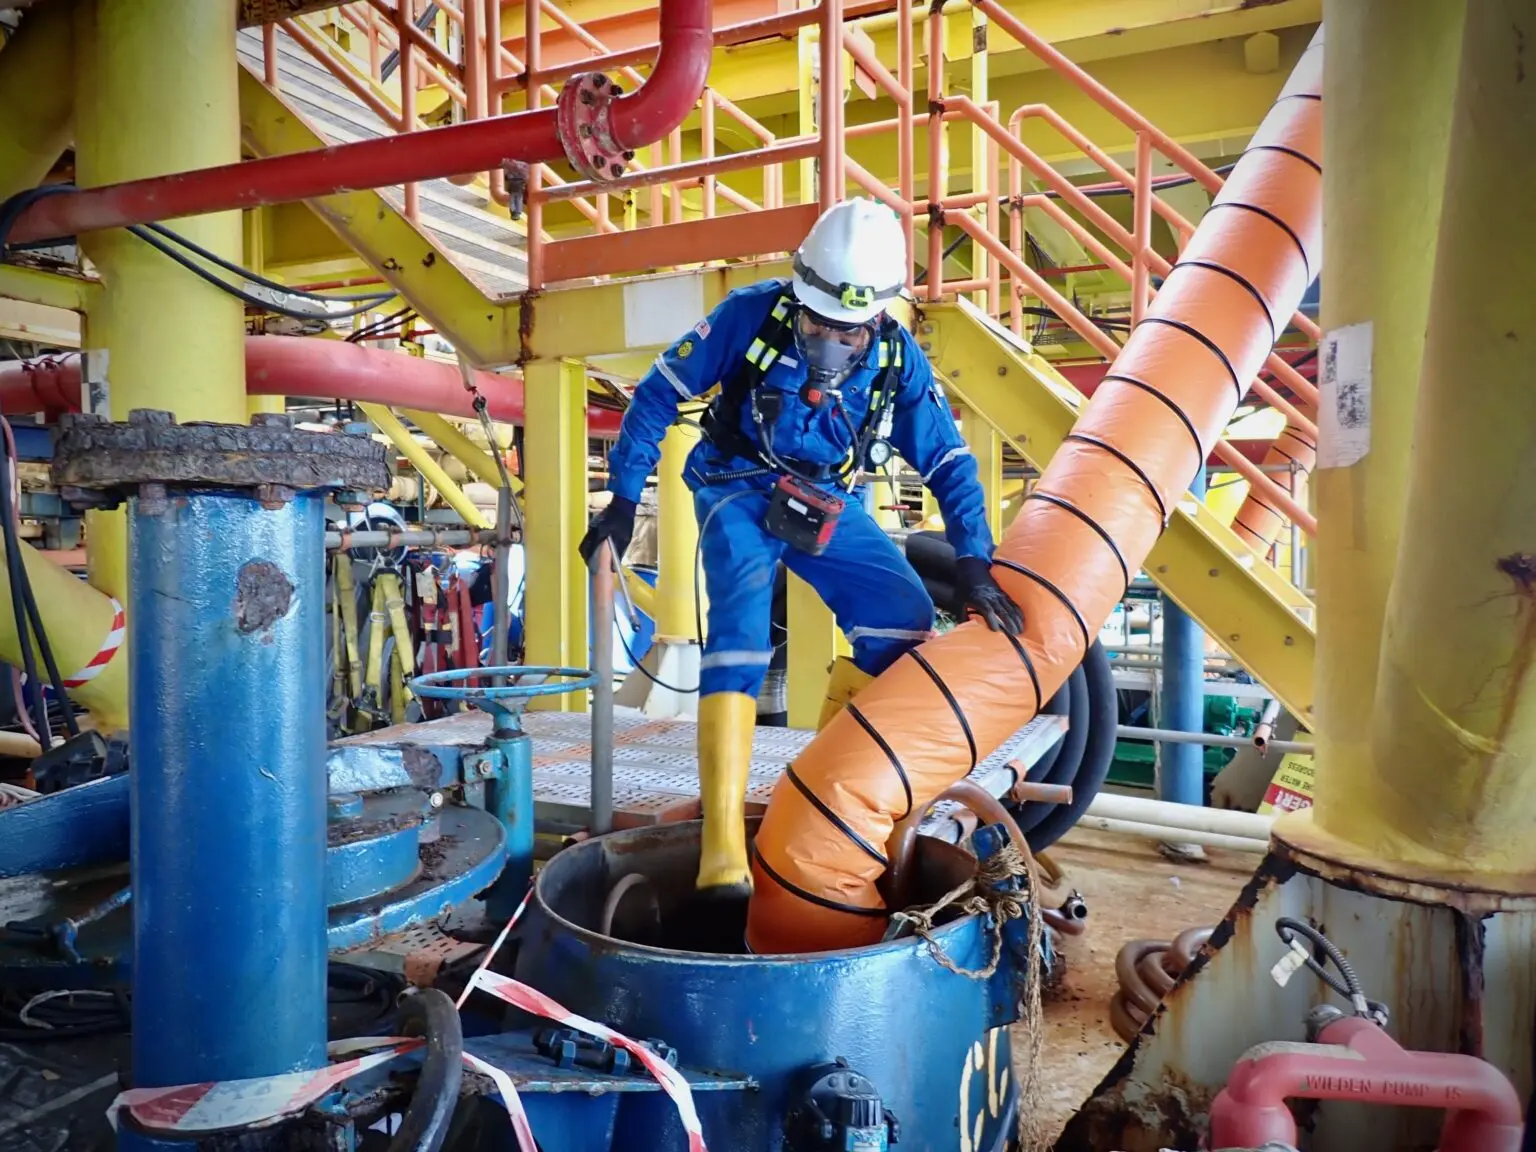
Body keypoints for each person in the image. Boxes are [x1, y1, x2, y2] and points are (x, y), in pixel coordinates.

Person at [578, 198, 1024, 898]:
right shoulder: (750, 315)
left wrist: (973, 560)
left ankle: (827, 791)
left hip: (821, 497)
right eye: (818, 322)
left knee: (902, 614)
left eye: (848, 330)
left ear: (878, 317)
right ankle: (724, 849)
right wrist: (624, 499)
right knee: (741, 628)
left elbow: (948, 461)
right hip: (734, 484)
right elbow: (658, 395)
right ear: (799, 293)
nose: (829, 342)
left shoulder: (898, 360)